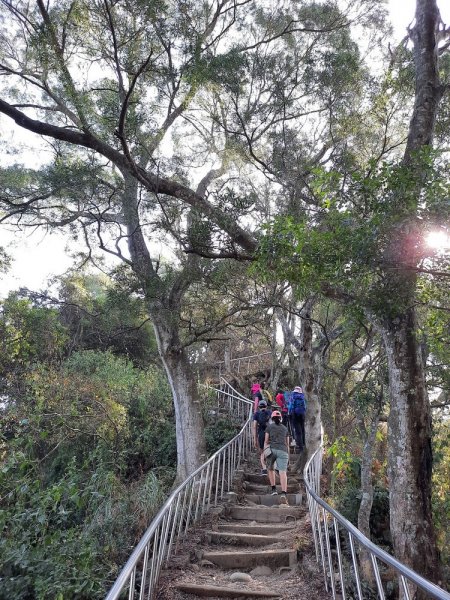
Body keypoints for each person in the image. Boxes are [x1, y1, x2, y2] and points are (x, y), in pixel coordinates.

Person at [264, 410, 290, 505]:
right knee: (283, 472)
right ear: (280, 418)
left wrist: (264, 451)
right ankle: (284, 493)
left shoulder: (269, 427)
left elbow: (266, 441)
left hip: (272, 450)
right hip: (283, 451)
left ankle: (274, 489)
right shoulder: (285, 429)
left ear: (272, 418)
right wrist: (288, 457)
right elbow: (287, 444)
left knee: (270, 469)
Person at [252, 400, 272, 474]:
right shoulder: (270, 412)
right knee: (269, 450)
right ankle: (271, 467)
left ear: (258, 406)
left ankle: (264, 469)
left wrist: (255, 438)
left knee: (262, 452)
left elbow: (254, 426)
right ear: (266, 406)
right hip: (269, 433)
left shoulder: (256, 414)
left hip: (261, 434)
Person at [289, 385, 307, 451]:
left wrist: (289, 412)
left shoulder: (293, 396)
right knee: (302, 429)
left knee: (297, 431)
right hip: (302, 414)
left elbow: (290, 405)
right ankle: (304, 444)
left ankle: (300, 447)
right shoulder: (302, 397)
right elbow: (305, 406)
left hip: (294, 414)